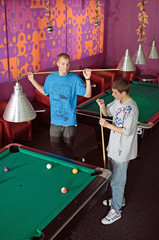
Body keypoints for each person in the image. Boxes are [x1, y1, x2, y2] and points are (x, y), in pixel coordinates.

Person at [27, 53, 92, 158]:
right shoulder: (51, 77)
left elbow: (88, 94)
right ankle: (76, 160)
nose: (65, 67)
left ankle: (70, 164)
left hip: (69, 122)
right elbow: (44, 91)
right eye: (62, 64)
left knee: (68, 148)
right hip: (55, 121)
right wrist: (32, 80)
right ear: (57, 64)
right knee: (56, 147)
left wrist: (88, 79)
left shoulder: (75, 79)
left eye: (67, 64)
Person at [96, 77, 139, 224]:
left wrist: (108, 126)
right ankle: (119, 199)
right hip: (113, 146)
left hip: (123, 150)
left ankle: (116, 211)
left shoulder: (131, 108)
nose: (112, 95)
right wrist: (102, 106)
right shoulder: (118, 102)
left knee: (117, 181)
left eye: (115, 93)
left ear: (123, 92)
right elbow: (108, 113)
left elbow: (127, 131)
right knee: (114, 176)